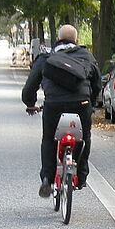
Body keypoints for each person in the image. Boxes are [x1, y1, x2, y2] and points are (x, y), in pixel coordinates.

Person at [22, 25, 103, 196]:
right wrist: (92, 103)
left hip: (54, 106)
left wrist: (30, 103)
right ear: (77, 41)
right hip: (81, 104)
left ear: (57, 39)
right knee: (84, 138)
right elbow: (97, 85)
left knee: (49, 139)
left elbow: (30, 87)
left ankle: (47, 179)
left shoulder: (46, 58)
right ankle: (81, 176)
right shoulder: (87, 56)